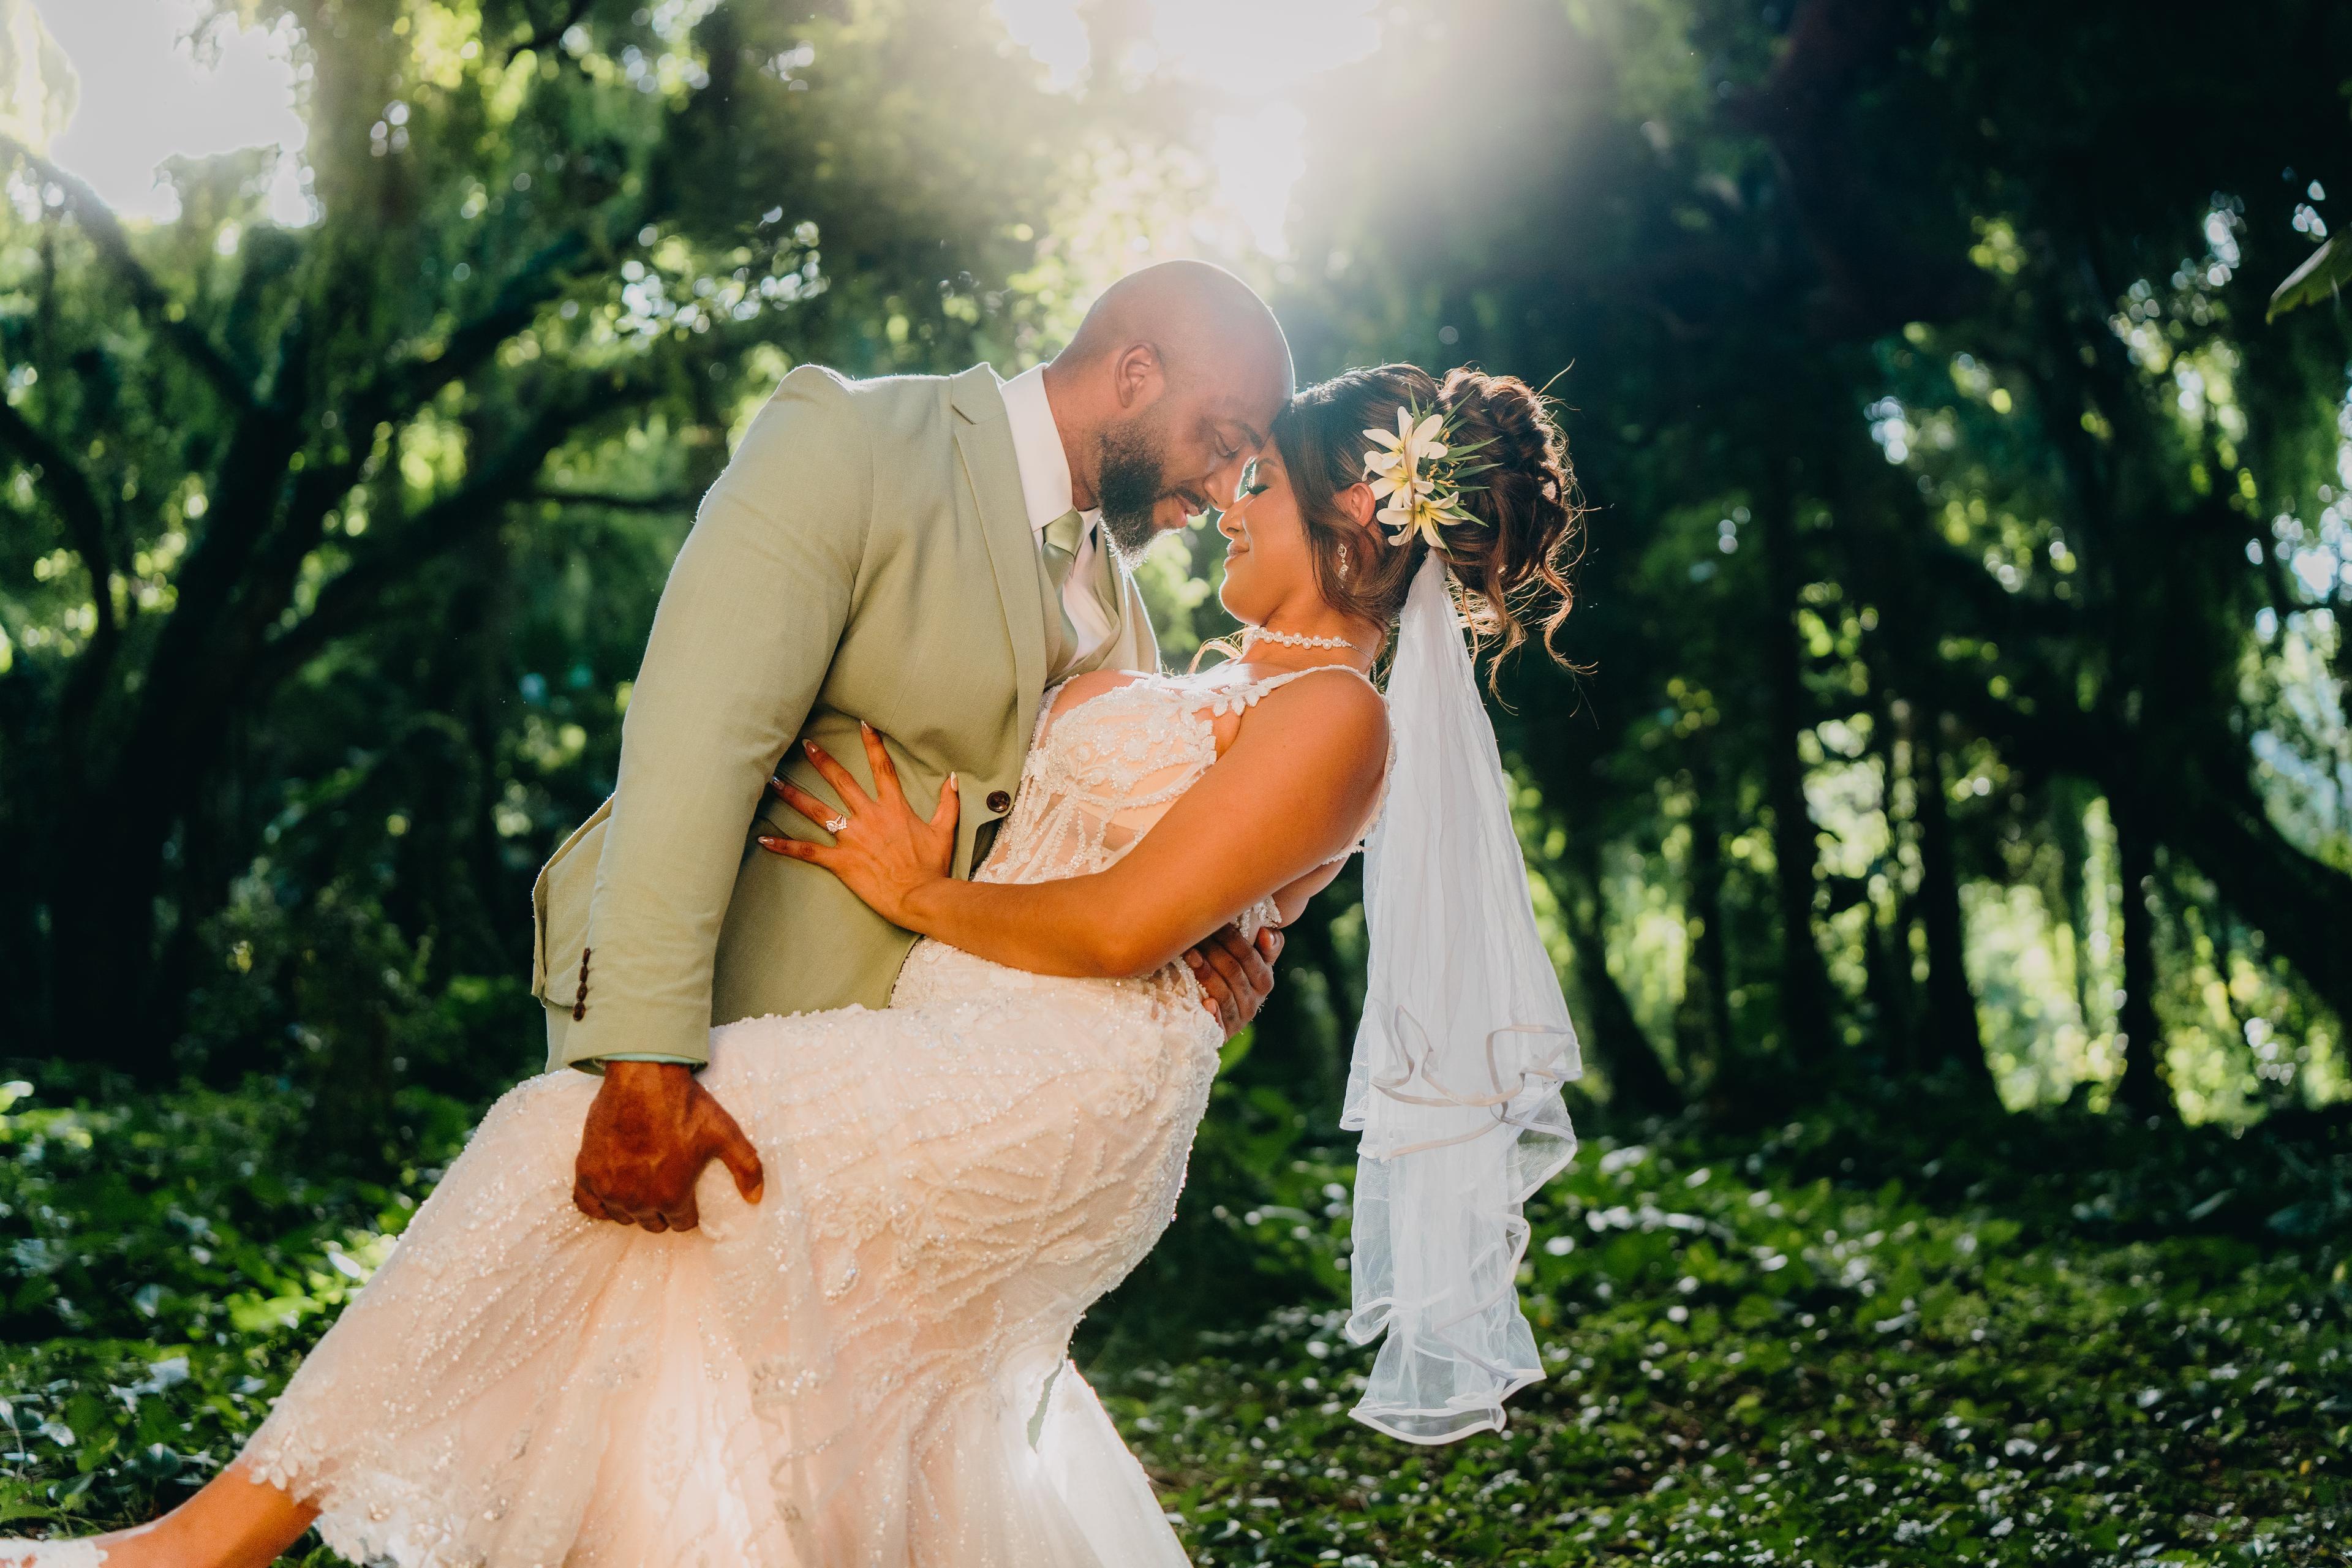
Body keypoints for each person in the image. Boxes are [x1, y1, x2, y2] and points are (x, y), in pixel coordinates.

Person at [0, 360, 1585, 1568]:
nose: (1228, 501)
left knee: (575, 1142)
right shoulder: (1223, 672)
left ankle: (189, 1548)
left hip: (1057, 1089)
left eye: (1260, 486)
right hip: (986, 1036)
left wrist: (912, 882)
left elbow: (1119, 928)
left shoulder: (1343, 721)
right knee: (749, 1339)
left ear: (1347, 520)